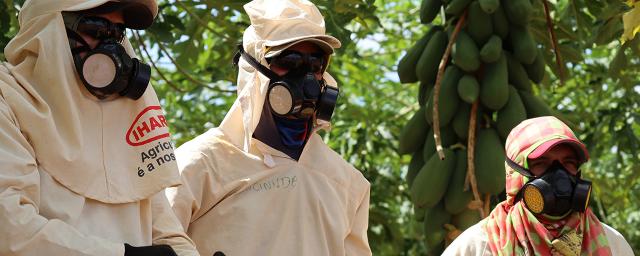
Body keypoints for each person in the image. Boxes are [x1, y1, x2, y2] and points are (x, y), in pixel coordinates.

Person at [165, 0, 372, 255]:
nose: (306, 78)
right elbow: (157, 241)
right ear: (253, 69)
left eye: (315, 63)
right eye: (290, 59)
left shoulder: (348, 184)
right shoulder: (200, 164)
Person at [0, 0, 198, 255]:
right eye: (95, 29)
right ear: (49, 29)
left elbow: (167, 233)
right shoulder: (9, 98)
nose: (111, 47)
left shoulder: (127, 114)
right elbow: (9, 227)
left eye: (117, 34)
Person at [443, 116, 634, 255]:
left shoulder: (612, 243)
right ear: (516, 174)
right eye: (541, 163)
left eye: (569, 163)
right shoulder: (478, 246)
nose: (560, 176)